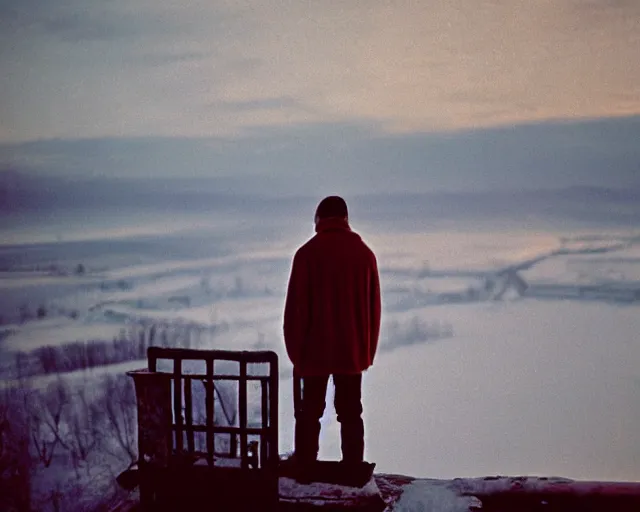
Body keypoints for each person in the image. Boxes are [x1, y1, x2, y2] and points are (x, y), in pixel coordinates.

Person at [284, 196, 381, 470]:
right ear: (346, 219)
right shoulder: (365, 255)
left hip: (314, 352)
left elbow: (295, 312)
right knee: (351, 412)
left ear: (318, 219)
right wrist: (365, 352)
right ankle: (352, 466)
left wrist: (297, 354)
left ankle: (305, 465)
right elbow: (373, 310)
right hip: (351, 351)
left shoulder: (306, 255)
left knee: (309, 412)